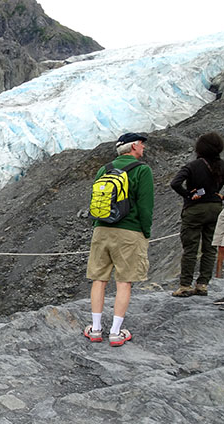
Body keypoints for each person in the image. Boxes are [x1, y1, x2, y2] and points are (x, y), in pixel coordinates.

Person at [84, 132, 154, 347]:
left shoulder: (103, 170)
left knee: (99, 279)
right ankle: (115, 332)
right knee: (123, 282)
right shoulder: (142, 170)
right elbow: (145, 205)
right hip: (129, 232)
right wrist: (145, 231)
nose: (143, 148)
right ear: (133, 147)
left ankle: (95, 329)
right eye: (141, 144)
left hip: (102, 229)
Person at [170, 132, 224, 297]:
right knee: (210, 248)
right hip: (216, 209)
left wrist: (188, 194)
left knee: (190, 248)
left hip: (194, 210)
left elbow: (175, 183)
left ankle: (185, 286)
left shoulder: (192, 166)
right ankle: (202, 284)